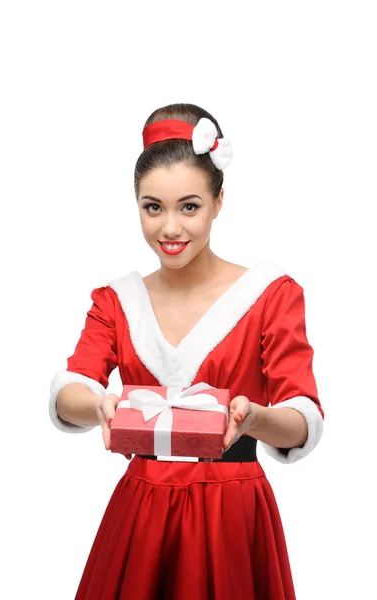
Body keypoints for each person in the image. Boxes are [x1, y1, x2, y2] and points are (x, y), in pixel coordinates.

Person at [49, 103, 324, 599]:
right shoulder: (117, 300)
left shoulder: (270, 294)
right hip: (141, 510)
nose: (170, 229)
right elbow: (72, 387)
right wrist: (97, 404)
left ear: (219, 202)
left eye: (189, 206)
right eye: (153, 207)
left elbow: (303, 418)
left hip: (232, 512)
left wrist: (253, 419)